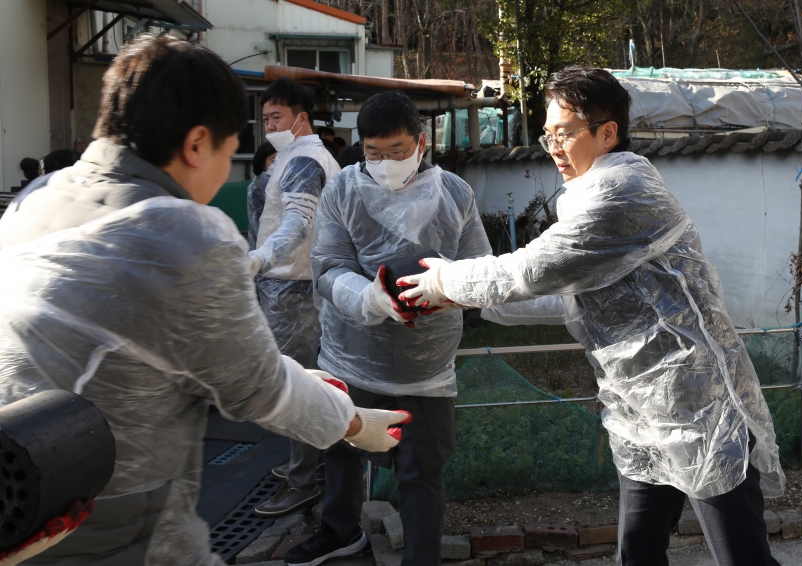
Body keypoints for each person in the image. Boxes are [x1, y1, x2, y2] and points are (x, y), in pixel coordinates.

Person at [0, 35, 409, 566]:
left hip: (22, 514)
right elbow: (258, 389)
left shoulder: (32, 201)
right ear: (196, 144)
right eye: (228, 146)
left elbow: (168, 346)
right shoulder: (185, 229)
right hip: (129, 531)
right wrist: (351, 422)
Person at [398, 66, 786, 566]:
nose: (554, 146)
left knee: (743, 558)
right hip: (642, 412)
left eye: (566, 133)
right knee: (638, 552)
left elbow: (532, 269)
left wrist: (442, 281)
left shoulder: (621, 191)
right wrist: (468, 300)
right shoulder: (586, 192)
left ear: (608, 132)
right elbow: (570, 299)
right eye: (547, 133)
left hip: (699, 410)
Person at [285, 91, 491, 566]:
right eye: (374, 153)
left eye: (397, 151)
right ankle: (339, 531)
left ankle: (422, 557)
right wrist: (369, 298)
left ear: (421, 142)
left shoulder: (454, 193)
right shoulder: (341, 190)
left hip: (426, 366)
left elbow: (481, 267)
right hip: (351, 352)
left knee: (421, 469)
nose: (385, 163)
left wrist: (448, 292)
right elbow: (329, 266)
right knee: (340, 445)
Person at [249, 78, 342, 518]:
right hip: (285, 283)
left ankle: (306, 479)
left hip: (296, 287)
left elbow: (299, 223)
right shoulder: (291, 155)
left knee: (299, 384)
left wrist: (261, 258)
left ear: (301, 118)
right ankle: (303, 464)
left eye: (276, 117)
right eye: (265, 118)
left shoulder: (306, 160)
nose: (269, 125)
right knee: (296, 379)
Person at [247, 141, 277, 250]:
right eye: (273, 160)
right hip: (267, 245)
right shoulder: (264, 183)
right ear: (263, 164)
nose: (278, 163)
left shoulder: (269, 181)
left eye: (281, 158)